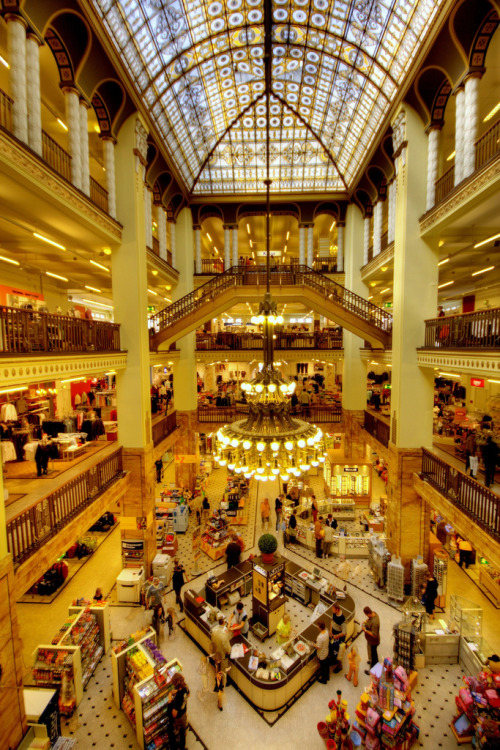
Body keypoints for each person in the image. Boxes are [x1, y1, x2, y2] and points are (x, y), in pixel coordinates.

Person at [168, 673, 189, 750]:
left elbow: (174, 714)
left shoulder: (178, 698)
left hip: (179, 718)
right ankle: (183, 746)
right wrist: (177, 691)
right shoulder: (185, 687)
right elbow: (188, 695)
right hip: (184, 713)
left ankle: (178, 746)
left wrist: (170, 699)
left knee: (177, 732)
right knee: (183, 731)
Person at [362, 606, 380, 673]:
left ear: (368, 613)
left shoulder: (374, 623)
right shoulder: (374, 613)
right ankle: (371, 660)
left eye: (366, 615)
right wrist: (365, 621)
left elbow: (374, 635)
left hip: (373, 642)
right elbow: (369, 619)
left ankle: (372, 670)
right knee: (372, 653)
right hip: (370, 640)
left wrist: (365, 630)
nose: (367, 616)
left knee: (374, 656)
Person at [329, 602, 346, 673]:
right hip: (333, 635)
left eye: (333, 609)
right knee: (332, 649)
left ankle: (339, 666)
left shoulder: (343, 620)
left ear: (337, 610)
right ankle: (333, 660)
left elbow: (344, 633)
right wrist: (330, 631)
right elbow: (332, 621)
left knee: (339, 653)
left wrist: (337, 636)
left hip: (339, 638)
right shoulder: (334, 614)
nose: (332, 610)